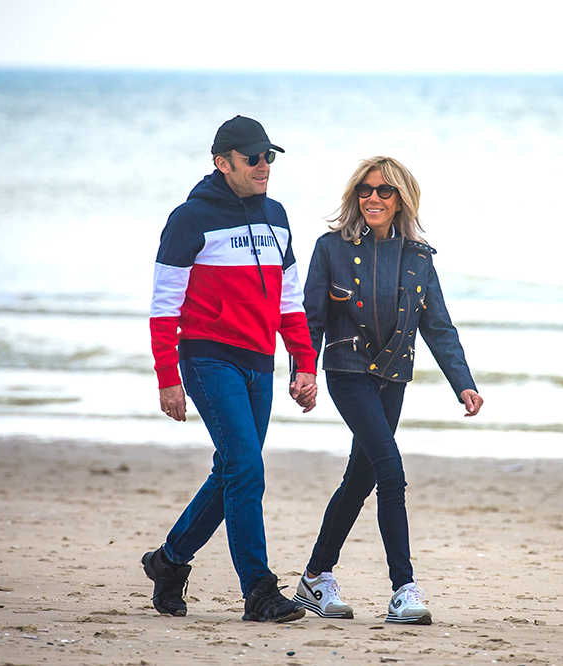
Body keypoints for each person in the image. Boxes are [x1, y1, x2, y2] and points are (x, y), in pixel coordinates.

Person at [143, 115, 319, 623]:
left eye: (270, 156)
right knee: (246, 467)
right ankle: (259, 591)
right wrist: (167, 377)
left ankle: (168, 562)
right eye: (254, 158)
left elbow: (290, 299)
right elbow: (164, 305)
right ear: (223, 163)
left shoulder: (277, 216)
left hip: (258, 363)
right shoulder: (189, 218)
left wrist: (304, 363)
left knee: (232, 471)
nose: (265, 166)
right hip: (206, 357)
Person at [293, 156, 484, 625]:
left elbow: (438, 326)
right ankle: (404, 588)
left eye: (384, 191)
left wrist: (464, 384)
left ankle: (315, 577)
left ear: (401, 200)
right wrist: (304, 371)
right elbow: (311, 318)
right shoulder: (330, 248)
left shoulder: (419, 257)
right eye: (365, 190)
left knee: (359, 480)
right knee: (389, 469)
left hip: (393, 376)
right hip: (347, 370)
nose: (373, 198)